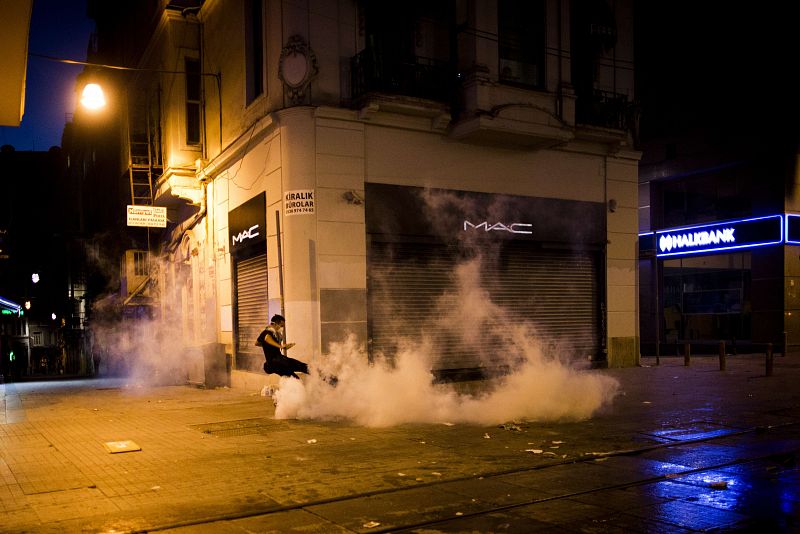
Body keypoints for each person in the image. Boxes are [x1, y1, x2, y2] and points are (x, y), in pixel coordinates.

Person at [255, 314, 309, 379]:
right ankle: (319, 373)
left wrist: (266, 345)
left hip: (277, 362)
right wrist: (280, 346)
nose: (282, 328)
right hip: (276, 362)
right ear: (275, 324)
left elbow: (257, 343)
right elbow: (267, 338)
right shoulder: (268, 332)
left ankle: (316, 374)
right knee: (301, 367)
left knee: (294, 378)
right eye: (281, 326)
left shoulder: (275, 334)